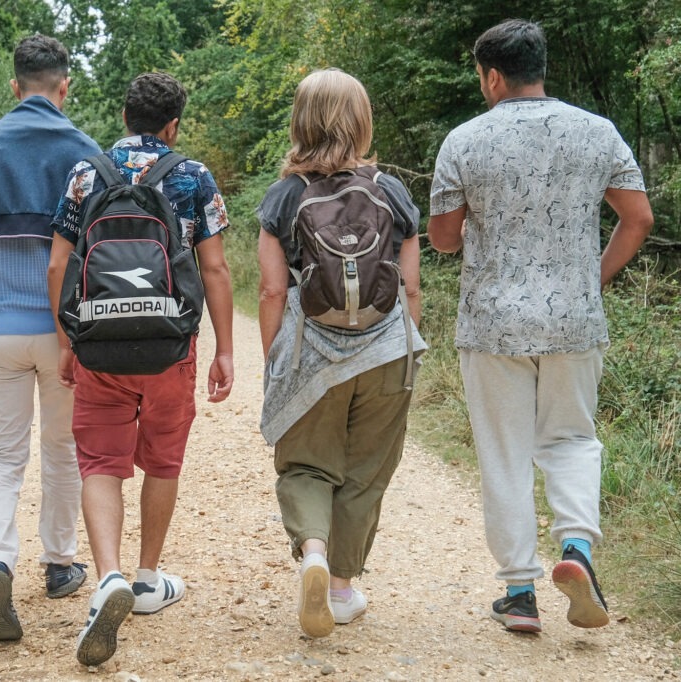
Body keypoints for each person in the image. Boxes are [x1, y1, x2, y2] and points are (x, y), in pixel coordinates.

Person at [428, 19, 654, 633]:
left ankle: (520, 593)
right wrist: (591, 279)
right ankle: (576, 548)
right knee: (572, 439)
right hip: (574, 320)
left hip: (492, 324)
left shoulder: (464, 140)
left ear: (492, 77)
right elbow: (637, 218)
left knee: (504, 452)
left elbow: (443, 240)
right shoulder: (598, 131)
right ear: (540, 67)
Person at [47, 72, 234, 667]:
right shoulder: (193, 175)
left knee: (100, 462)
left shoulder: (87, 173)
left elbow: (58, 266)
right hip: (169, 347)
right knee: (163, 458)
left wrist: (68, 341)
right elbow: (215, 268)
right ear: (173, 125)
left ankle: (108, 577)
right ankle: (148, 578)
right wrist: (225, 350)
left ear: (125, 116)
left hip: (99, 344)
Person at [0, 34, 101, 642]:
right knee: (63, 448)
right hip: (63, 332)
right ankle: (59, 565)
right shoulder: (85, 152)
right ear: (64, 87)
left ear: (14, 86)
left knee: (1, 455)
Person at [256, 68, 427, 639]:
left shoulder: (283, 197)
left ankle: (312, 552)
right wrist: (404, 350)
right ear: (362, 122)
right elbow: (410, 287)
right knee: (365, 472)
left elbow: (272, 291)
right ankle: (341, 589)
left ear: (300, 122)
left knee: (306, 463)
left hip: (312, 353)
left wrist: (276, 359)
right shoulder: (391, 191)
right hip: (385, 354)